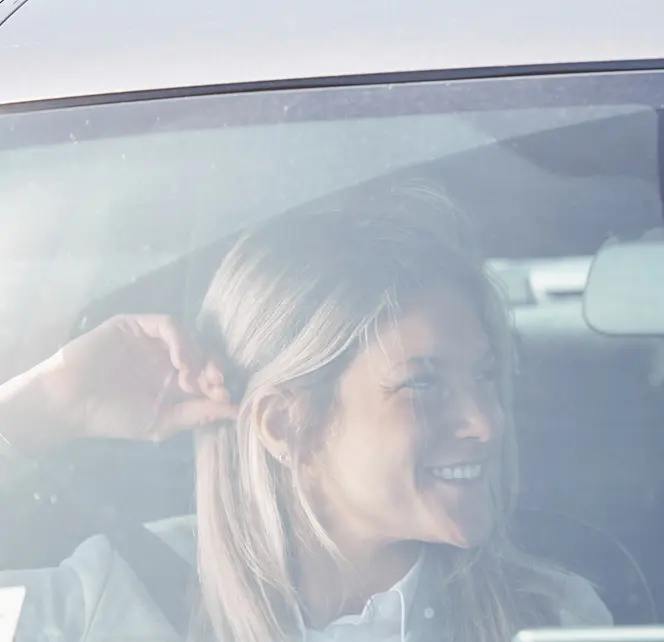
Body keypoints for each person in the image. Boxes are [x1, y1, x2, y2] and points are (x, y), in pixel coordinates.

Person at [0, 183, 610, 641]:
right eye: (422, 386)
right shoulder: (115, 598)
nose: (485, 422)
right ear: (287, 424)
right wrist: (44, 406)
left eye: (485, 377)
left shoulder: (548, 619)